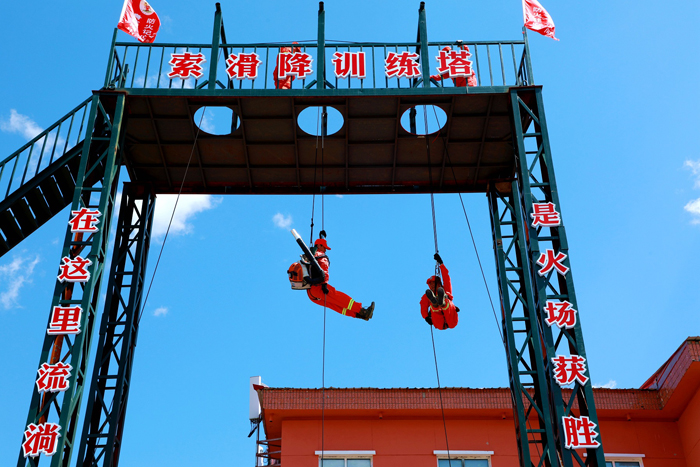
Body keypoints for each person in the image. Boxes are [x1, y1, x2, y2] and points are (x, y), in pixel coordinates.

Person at [307, 238, 375, 321]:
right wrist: (324, 284)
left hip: (311, 293)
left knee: (335, 305)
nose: (325, 250)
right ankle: (362, 311)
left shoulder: (310, 255)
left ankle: (359, 315)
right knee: (339, 298)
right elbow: (324, 270)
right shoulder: (321, 255)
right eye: (324, 247)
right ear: (319, 245)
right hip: (318, 287)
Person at [420, 253, 459, 330]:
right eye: (430, 284)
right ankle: (436, 303)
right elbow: (423, 304)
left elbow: (446, 277)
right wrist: (426, 317)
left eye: (433, 283)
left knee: (446, 299)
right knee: (433, 305)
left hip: (451, 320)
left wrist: (441, 264)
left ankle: (442, 302)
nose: (432, 285)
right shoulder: (427, 296)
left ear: (438, 283)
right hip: (439, 323)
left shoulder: (445, 289)